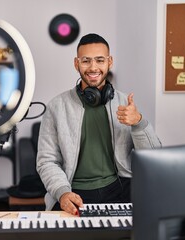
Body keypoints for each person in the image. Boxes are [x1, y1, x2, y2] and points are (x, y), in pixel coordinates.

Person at [36, 33, 162, 215]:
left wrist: (139, 123)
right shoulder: (57, 106)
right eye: (86, 61)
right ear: (76, 64)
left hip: (119, 189)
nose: (93, 67)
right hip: (72, 191)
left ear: (109, 62)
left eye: (100, 60)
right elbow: (47, 161)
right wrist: (62, 192)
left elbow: (154, 158)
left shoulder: (125, 102)